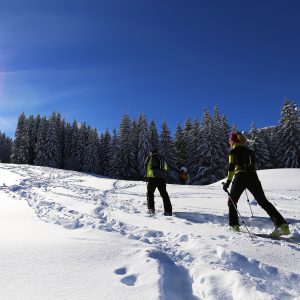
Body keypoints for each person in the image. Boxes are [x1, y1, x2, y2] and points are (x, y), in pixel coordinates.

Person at [223, 131, 290, 237]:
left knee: (232, 202)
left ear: (233, 140)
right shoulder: (250, 151)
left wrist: (227, 183)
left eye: (229, 139)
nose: (229, 141)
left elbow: (231, 168)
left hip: (240, 177)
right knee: (263, 201)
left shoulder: (233, 151)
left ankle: (234, 225)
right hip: (253, 177)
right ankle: (282, 225)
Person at [144, 148, 172, 216]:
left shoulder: (150, 158)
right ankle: (168, 211)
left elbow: (147, 167)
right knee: (164, 194)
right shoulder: (161, 158)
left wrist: (147, 176)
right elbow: (166, 168)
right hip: (162, 178)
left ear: (151, 152)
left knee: (150, 193)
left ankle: (151, 209)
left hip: (152, 178)